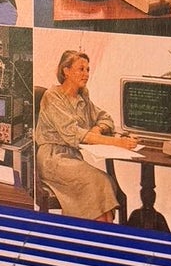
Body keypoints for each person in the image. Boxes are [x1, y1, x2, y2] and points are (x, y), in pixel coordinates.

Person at [34, 49, 137, 222]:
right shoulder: (52, 96)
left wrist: (97, 128)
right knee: (98, 181)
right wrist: (117, 142)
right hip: (53, 159)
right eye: (81, 69)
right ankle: (96, 233)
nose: (86, 74)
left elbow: (106, 118)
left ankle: (101, 233)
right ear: (66, 71)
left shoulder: (82, 97)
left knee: (106, 182)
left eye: (88, 69)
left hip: (73, 158)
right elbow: (75, 134)